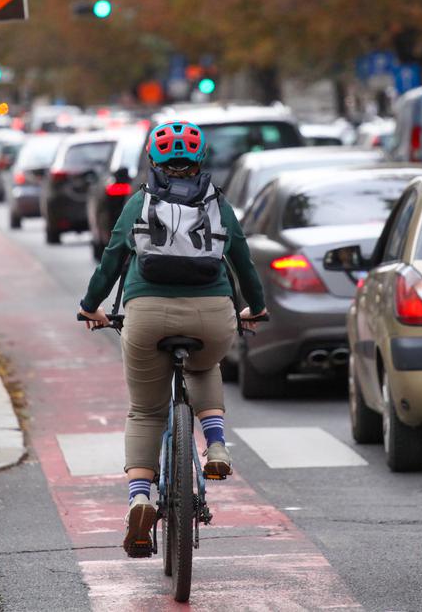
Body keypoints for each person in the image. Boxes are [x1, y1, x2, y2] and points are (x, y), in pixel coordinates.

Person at [78, 120, 267, 558]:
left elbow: (111, 262)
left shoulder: (139, 202)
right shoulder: (219, 204)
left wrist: (91, 307)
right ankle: (216, 443)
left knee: (146, 410)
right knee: (204, 364)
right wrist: (253, 310)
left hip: (145, 315)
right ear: (200, 160)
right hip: (213, 316)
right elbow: (244, 262)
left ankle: (140, 496)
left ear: (153, 160)